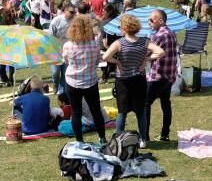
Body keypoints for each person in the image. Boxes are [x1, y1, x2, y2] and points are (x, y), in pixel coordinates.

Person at [102, 14, 164, 147]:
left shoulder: (119, 43)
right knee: (140, 111)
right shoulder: (145, 41)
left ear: (124, 28)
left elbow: (106, 57)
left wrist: (117, 62)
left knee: (122, 112)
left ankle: (118, 140)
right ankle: (142, 139)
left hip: (123, 80)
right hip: (139, 80)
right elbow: (160, 52)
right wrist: (146, 60)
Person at [61, 14, 107, 144]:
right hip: (90, 81)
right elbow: (97, 61)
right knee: (96, 111)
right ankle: (102, 137)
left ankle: (79, 140)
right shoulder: (94, 45)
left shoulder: (67, 45)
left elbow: (65, 61)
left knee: (76, 112)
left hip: (73, 81)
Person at [145, 9, 178, 142]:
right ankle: (165, 134)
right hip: (169, 75)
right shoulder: (171, 33)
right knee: (165, 103)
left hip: (158, 76)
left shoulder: (158, 36)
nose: (149, 23)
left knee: (145, 104)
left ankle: (144, 136)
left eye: (151, 20)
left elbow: (146, 55)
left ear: (161, 21)